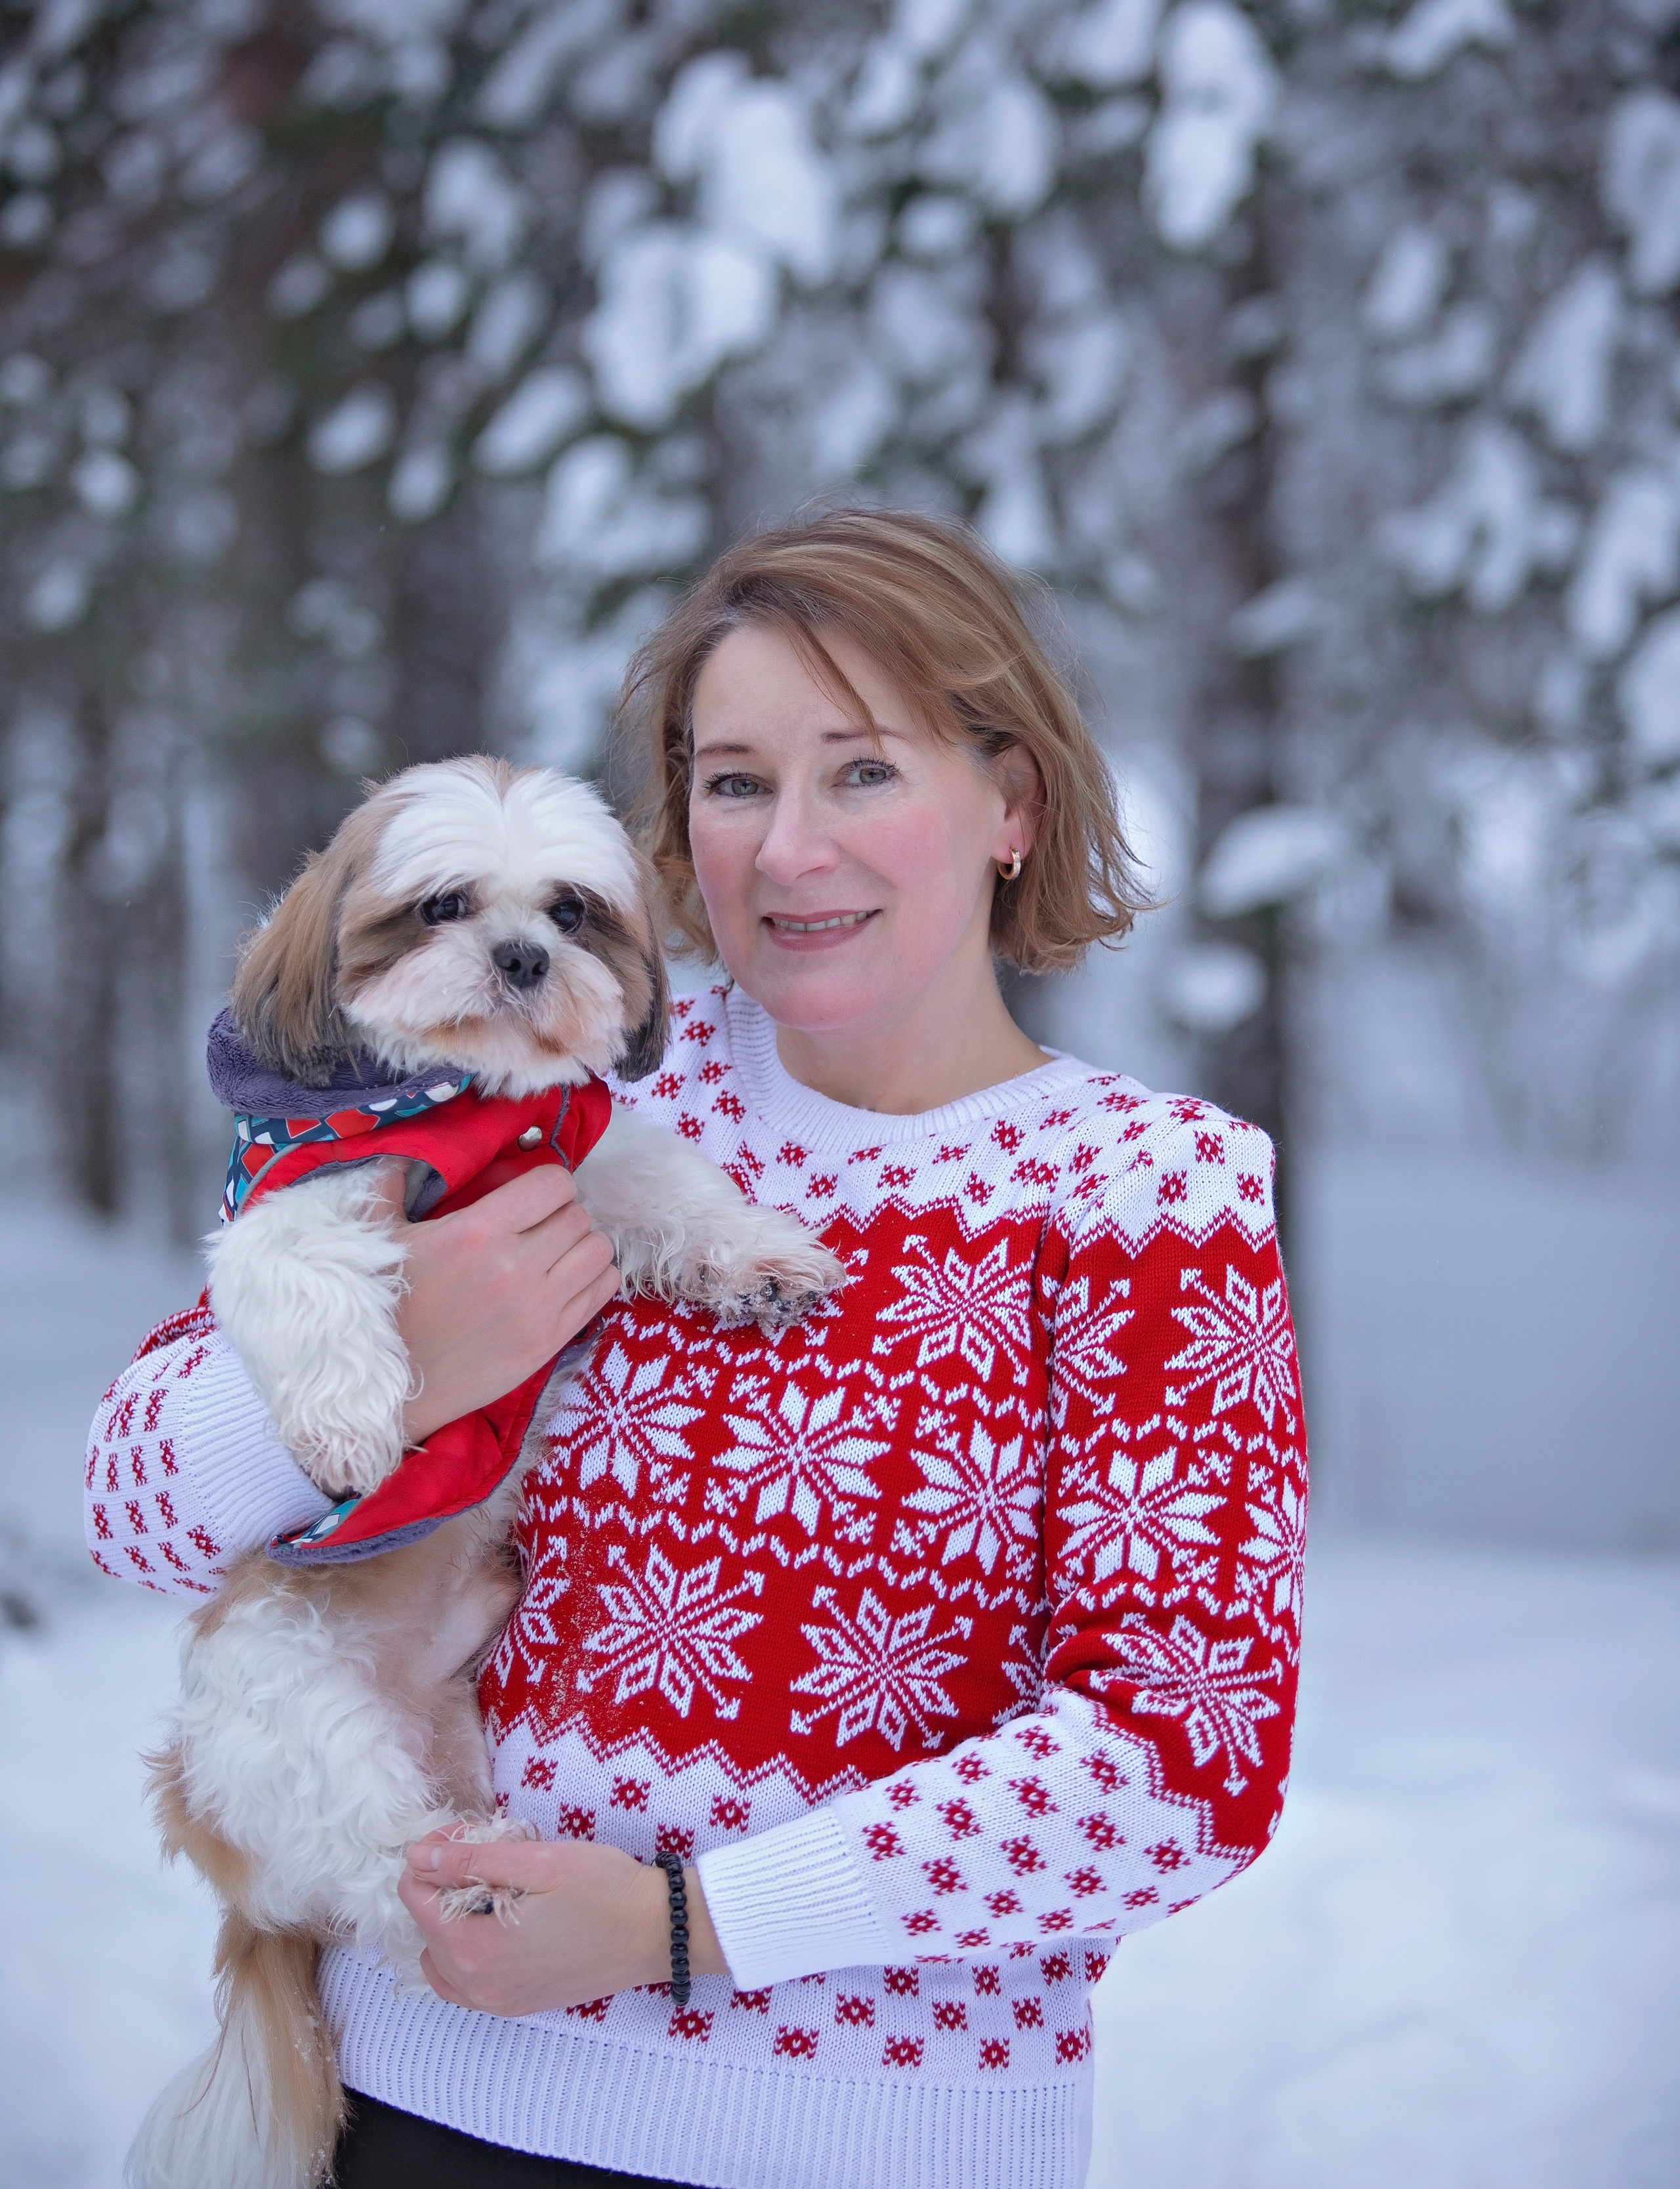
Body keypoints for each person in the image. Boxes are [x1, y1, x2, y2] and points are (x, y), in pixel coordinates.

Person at [88, 509, 1307, 2189]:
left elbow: (1177, 1768)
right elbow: (131, 1512)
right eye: (736, 783)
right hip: (424, 2106)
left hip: (872, 2143)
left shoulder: (1142, 1192)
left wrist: (688, 1922)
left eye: (861, 771)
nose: (790, 848)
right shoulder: (563, 1074)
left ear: (1012, 805)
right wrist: (409, 1355)